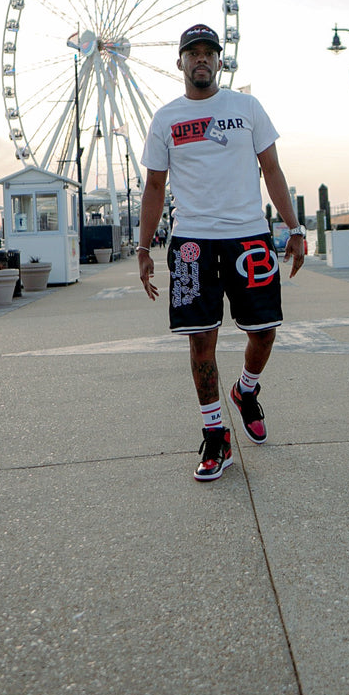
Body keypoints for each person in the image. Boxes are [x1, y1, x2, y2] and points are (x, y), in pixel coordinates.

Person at [138, 24, 306, 482]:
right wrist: (143, 247)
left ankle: (246, 391)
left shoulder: (246, 107)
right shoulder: (165, 119)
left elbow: (271, 168)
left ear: (219, 60)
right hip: (192, 241)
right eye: (192, 53)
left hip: (249, 237)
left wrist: (294, 228)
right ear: (180, 63)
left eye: (208, 52)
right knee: (200, 339)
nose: (201, 60)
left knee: (265, 331)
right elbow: (155, 185)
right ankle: (216, 435)